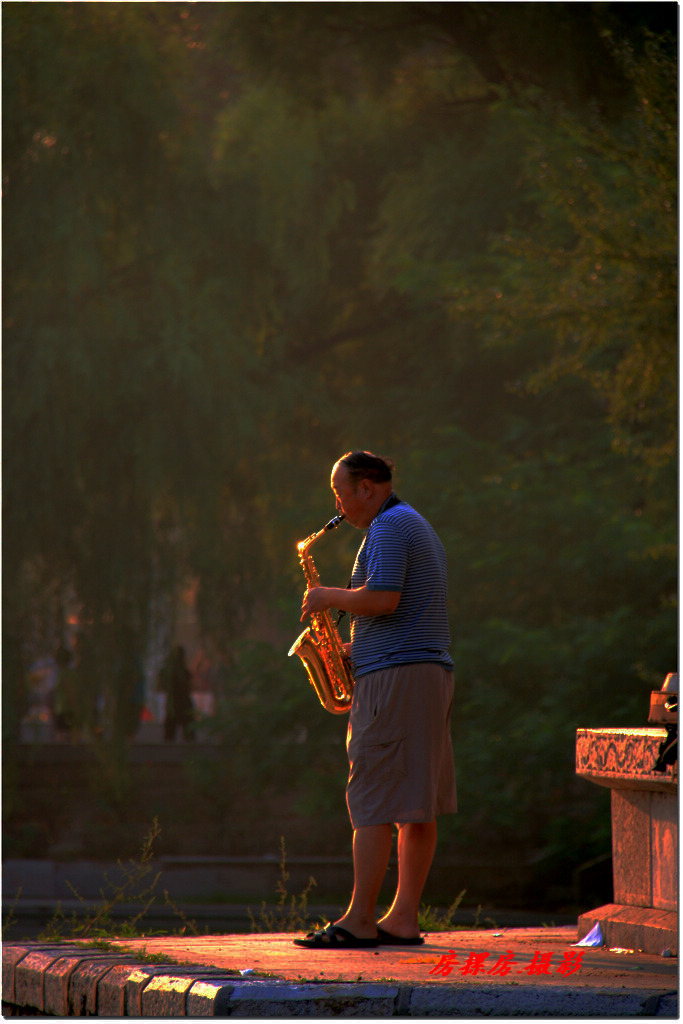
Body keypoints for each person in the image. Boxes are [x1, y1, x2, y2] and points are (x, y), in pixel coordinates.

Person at [294, 450, 457, 949]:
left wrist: (326, 597)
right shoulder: (408, 523)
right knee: (417, 802)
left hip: (397, 680)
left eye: (341, 493)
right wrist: (350, 647)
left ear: (369, 487)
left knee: (371, 798)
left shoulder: (388, 528)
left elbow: (384, 598)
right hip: (423, 672)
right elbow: (395, 609)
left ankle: (360, 918)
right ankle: (402, 918)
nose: (338, 505)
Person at [158, 644, 194, 742]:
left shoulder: (166, 672)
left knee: (170, 734)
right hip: (183, 703)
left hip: (173, 704)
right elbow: (190, 687)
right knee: (188, 732)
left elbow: (160, 687)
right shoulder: (184, 673)